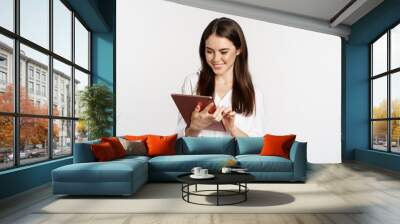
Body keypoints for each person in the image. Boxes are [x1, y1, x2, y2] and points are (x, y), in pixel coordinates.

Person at [177, 17, 264, 137]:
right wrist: (195, 127)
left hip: (232, 156)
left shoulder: (253, 93)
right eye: (209, 51)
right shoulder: (193, 82)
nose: (215, 59)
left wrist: (232, 129)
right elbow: (180, 140)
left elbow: (256, 147)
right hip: (200, 156)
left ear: (239, 49)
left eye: (223, 52)